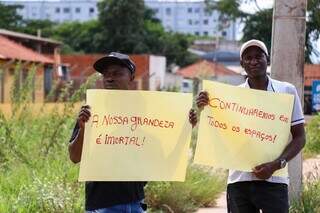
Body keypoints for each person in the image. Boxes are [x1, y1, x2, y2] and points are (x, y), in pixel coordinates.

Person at [189, 39, 306, 213]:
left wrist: (275, 165)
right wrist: (201, 114)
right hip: (239, 182)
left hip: (274, 181)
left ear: (267, 59)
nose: (254, 61)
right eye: (248, 58)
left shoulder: (286, 91)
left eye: (258, 56)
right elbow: (218, 133)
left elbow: (300, 137)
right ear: (241, 64)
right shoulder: (230, 98)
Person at [68, 52, 147, 213]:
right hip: (102, 204)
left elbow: (161, 144)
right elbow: (75, 157)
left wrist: (187, 126)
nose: (110, 78)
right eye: (106, 74)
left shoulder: (144, 111)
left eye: (117, 73)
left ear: (131, 77)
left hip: (136, 203)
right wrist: (83, 129)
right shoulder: (91, 111)